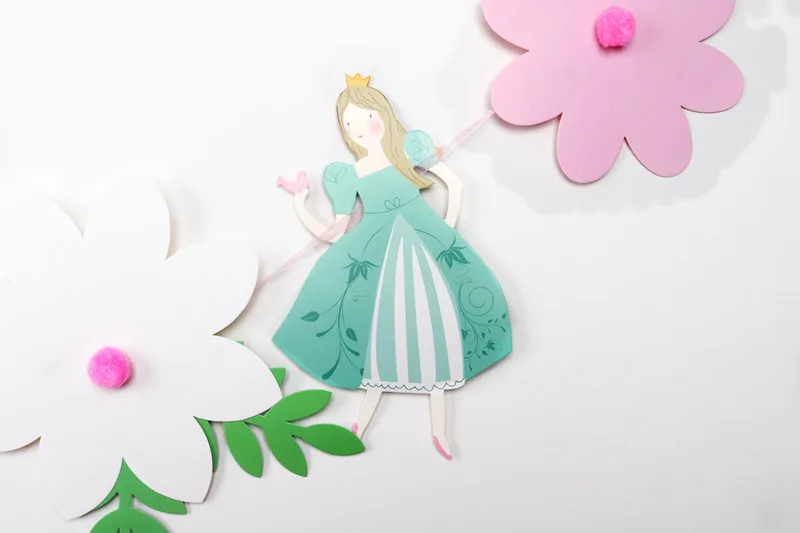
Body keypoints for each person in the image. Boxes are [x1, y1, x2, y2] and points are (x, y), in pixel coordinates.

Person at [274, 74, 512, 459]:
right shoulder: (350, 175)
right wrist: (300, 201)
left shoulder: (407, 151)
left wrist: (446, 231)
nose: (358, 128)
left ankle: (439, 429)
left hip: (425, 243)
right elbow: (335, 232)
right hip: (378, 253)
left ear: (382, 115)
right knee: (380, 330)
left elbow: (454, 185)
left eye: (365, 117)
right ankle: (360, 423)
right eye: (349, 123)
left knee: (436, 323)